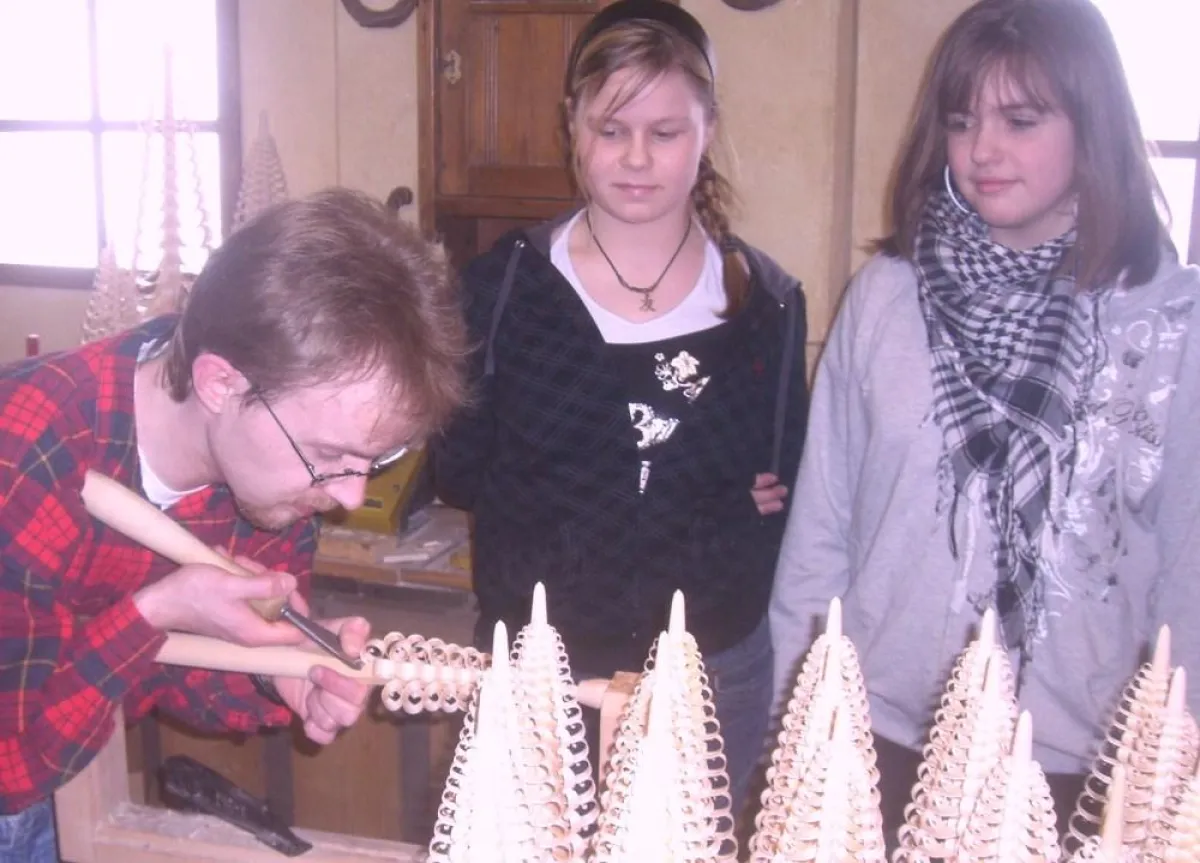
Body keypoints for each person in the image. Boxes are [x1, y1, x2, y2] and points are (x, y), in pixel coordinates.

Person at [770, 0, 1200, 844]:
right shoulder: (886, 298)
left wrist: (1171, 774)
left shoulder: (1170, 320)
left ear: (1094, 124)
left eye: (1022, 119)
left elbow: (1189, 570)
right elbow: (819, 539)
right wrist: (800, 735)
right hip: (879, 739)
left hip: (1091, 762)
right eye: (962, 121)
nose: (983, 150)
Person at [0, 188, 468, 861]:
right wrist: (160, 609)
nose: (347, 495)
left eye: (378, 459)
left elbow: (150, 675)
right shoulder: (28, 455)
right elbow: (13, 767)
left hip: (69, 770)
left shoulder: (272, 482)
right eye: (331, 456)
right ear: (221, 384)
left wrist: (273, 671)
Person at [433, 0, 807, 824]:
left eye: (666, 132)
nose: (637, 158)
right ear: (572, 125)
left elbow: (779, 490)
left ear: (707, 128)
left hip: (709, 678)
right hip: (543, 671)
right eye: (611, 130)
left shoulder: (767, 306)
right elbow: (457, 468)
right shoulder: (501, 292)